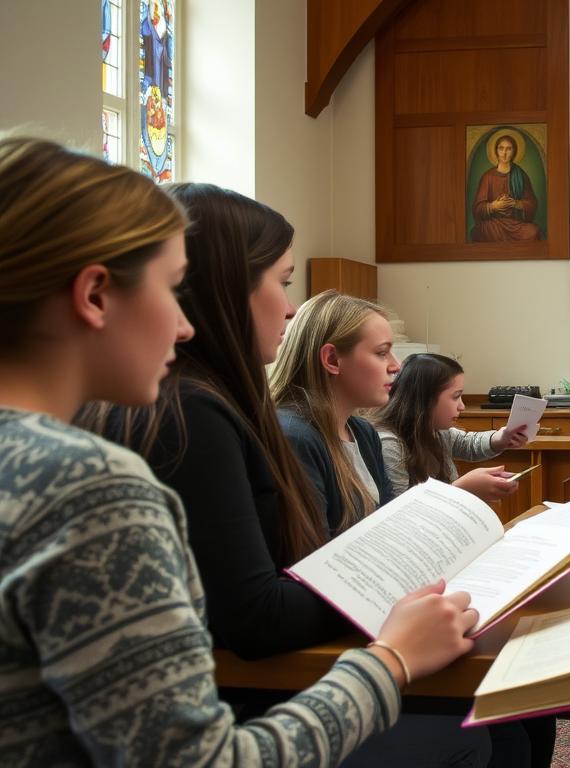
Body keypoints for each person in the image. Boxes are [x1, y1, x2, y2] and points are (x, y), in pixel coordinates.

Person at [0, 136, 475, 766]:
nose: (185, 322)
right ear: (94, 296)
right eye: (172, 290)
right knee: (474, 734)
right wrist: (390, 659)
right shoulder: (91, 484)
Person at [270, 290, 399, 533]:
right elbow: (311, 555)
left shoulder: (362, 432)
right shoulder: (294, 437)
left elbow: (387, 520)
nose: (396, 365)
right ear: (332, 359)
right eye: (382, 353)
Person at [376, 353, 528, 500]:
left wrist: (500, 438)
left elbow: (468, 443)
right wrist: (462, 489)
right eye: (456, 396)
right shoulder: (389, 445)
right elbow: (400, 513)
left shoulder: (437, 432)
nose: (462, 406)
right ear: (425, 399)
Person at [470, 132, 540, 242]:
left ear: (514, 152)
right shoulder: (487, 177)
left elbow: (532, 204)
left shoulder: (521, 175)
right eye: (501, 148)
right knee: (477, 231)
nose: (504, 153)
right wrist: (494, 206)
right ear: (496, 151)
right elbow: (477, 209)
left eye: (509, 149)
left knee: (534, 231)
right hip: (494, 224)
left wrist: (516, 204)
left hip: (516, 225)